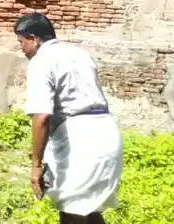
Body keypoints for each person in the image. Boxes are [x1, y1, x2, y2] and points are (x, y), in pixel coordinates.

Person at [16, 12, 123, 224]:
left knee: (71, 210)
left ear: (34, 38)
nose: (21, 48)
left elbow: (42, 116)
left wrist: (36, 165)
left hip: (80, 139)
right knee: (90, 209)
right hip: (107, 133)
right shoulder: (80, 53)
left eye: (21, 42)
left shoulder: (41, 60)